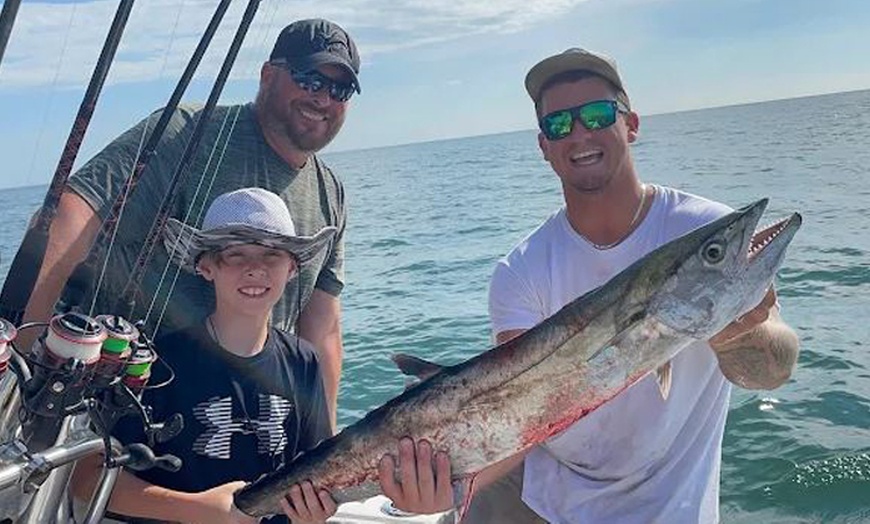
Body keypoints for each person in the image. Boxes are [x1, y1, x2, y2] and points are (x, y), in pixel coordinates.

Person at [465, 48, 801, 523]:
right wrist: (449, 487)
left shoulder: (707, 230)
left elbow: (773, 371)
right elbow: (524, 414)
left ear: (632, 125)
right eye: (560, 124)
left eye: (598, 115)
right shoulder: (519, 270)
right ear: (544, 146)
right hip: (543, 497)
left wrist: (742, 335)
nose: (580, 133)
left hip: (669, 508)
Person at [20, 18, 360, 427]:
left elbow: (322, 328)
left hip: (248, 424)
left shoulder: (331, 192)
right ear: (268, 75)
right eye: (309, 79)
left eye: (339, 89)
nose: (323, 98)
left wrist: (322, 441)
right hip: (128, 414)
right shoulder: (184, 133)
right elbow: (68, 218)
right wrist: (18, 366)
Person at [72, 188, 454, 524]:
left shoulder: (304, 360)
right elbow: (88, 477)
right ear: (205, 266)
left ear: (292, 268)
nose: (255, 268)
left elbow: (320, 475)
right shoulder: (158, 362)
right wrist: (196, 509)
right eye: (235, 255)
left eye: (272, 255)